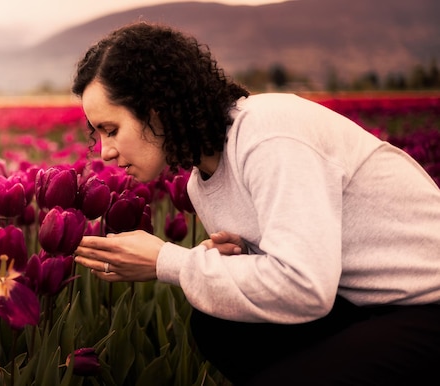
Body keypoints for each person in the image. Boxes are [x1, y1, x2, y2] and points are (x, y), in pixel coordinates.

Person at [71, 22, 440, 385]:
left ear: (155, 108)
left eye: (111, 129)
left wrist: (168, 261)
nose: (104, 152)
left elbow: (305, 287)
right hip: (360, 305)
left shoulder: (268, 134)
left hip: (425, 302)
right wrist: (227, 261)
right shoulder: (203, 182)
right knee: (218, 324)